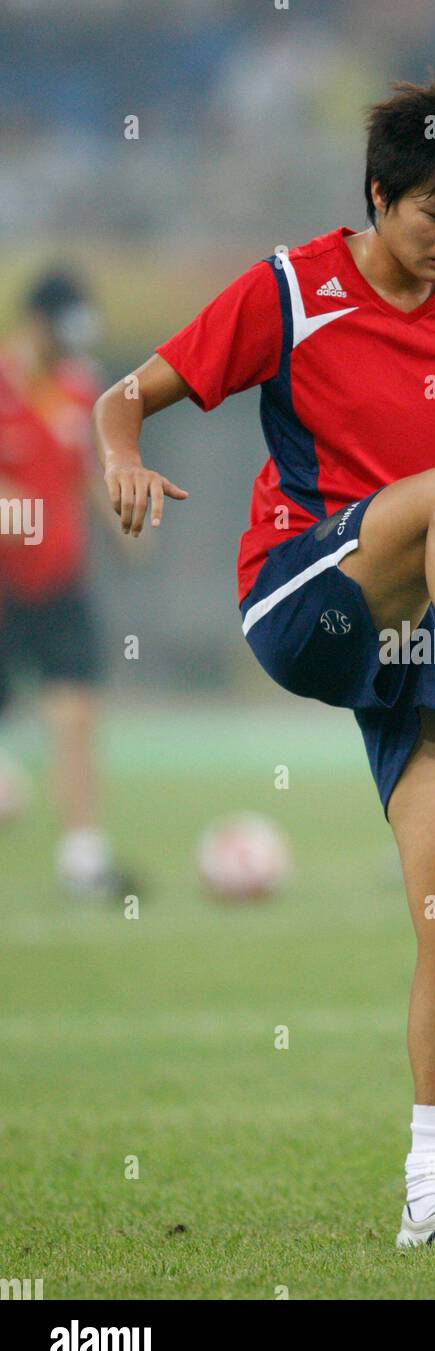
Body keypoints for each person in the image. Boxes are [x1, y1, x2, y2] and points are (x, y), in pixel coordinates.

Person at [92, 77, 435, 1249]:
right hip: (306, 593)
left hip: (429, 635)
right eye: (434, 214)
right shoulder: (290, 289)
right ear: (377, 194)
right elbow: (122, 399)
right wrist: (123, 458)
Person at [0, 271, 130, 898]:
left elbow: (85, 471)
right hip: (4, 591)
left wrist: (120, 517)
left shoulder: (80, 390)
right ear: (36, 324)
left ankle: (83, 858)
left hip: (61, 585)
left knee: (76, 713)